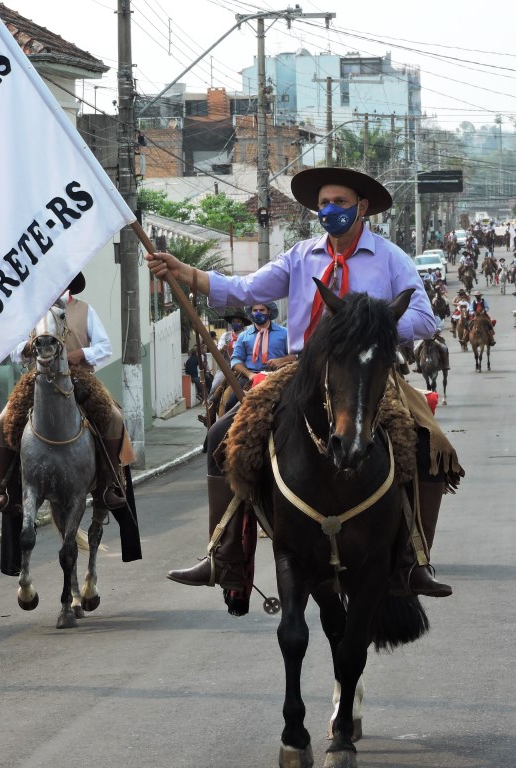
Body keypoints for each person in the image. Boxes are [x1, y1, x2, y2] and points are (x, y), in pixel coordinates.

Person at [147, 166, 461, 608]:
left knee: (430, 446)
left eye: (340, 202)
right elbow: (244, 289)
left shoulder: (392, 257)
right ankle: (225, 557)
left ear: (362, 208)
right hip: (301, 369)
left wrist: (368, 328)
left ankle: (413, 560)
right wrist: (183, 272)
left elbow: (427, 319)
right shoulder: (300, 256)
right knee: (222, 437)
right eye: (324, 203)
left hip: (369, 374)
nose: (329, 210)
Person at [0, 271, 135, 575]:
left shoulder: (83, 310)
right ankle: (7, 492)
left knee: (115, 419)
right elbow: (12, 348)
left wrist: (82, 353)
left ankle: (110, 484)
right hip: (36, 380)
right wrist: (25, 349)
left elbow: (105, 346)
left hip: (77, 378)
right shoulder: (28, 312)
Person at [229, 301, 291, 393]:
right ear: (251, 312)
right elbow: (236, 360)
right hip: (250, 378)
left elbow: (295, 356)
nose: (258, 313)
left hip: (280, 376)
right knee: (230, 403)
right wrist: (250, 375)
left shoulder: (285, 333)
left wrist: (280, 361)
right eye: (255, 310)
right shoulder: (243, 336)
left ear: (269, 311)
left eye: (262, 310)